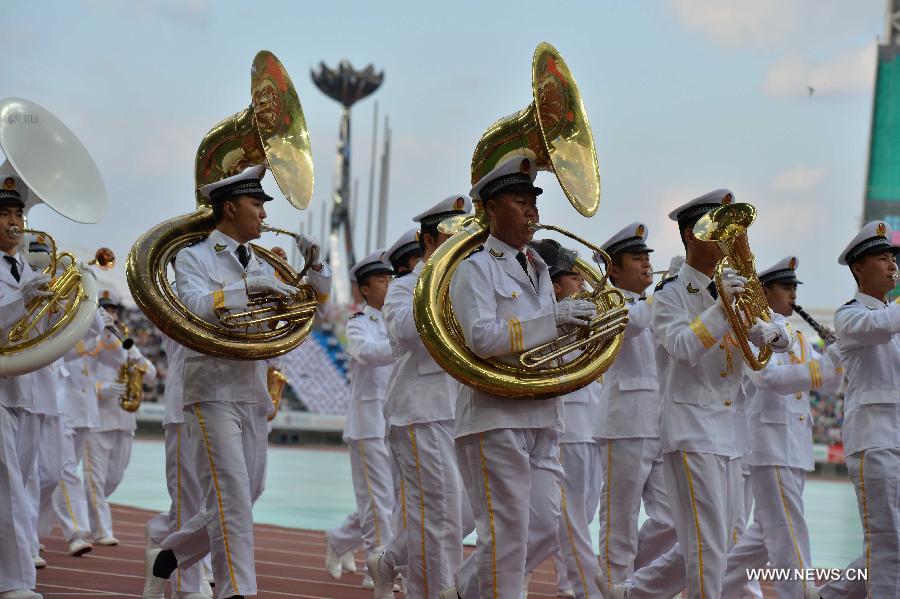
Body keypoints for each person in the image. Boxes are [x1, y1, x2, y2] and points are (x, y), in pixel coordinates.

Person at [145, 164, 330, 599]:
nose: (265, 215)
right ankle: (236, 592)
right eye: (256, 205)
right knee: (230, 494)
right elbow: (189, 304)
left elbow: (315, 304)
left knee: (249, 491)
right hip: (210, 388)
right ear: (230, 207)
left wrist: (315, 265)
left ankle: (168, 555)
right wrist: (248, 291)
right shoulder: (192, 256)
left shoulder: (264, 261)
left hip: (251, 386)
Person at [601, 189, 794, 599]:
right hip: (690, 428)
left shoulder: (732, 285)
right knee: (707, 547)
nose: (726, 242)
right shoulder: (670, 293)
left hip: (730, 432)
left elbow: (780, 336)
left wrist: (771, 332)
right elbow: (682, 348)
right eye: (716, 232)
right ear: (691, 235)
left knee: (719, 542)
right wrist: (724, 311)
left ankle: (633, 594)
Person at [441, 153, 597, 599]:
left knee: (547, 528)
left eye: (534, 201)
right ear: (491, 208)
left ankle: (462, 591)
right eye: (518, 200)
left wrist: (575, 342)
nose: (532, 210)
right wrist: (555, 321)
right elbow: (481, 338)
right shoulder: (474, 268)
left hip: (542, 414)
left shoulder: (539, 267)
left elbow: (541, 342)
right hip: (496, 417)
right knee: (506, 540)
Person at [367, 195, 474, 599]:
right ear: (428, 241)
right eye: (451, 236)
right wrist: (440, 289)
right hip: (418, 411)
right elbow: (403, 332)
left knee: (461, 514)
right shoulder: (404, 287)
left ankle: (391, 559)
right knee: (439, 513)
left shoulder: (469, 281)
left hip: (460, 411)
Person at [719, 256, 841, 599]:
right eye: (785, 287)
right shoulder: (756, 331)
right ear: (764, 291)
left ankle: (713, 586)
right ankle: (799, 592)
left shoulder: (799, 337)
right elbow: (766, 377)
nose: (792, 294)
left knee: (763, 534)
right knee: (788, 528)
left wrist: (836, 355)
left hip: (794, 445)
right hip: (770, 443)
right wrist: (823, 370)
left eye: (793, 288)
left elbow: (829, 383)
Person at [818, 221, 899, 599]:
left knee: (890, 544)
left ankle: (827, 596)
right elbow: (882, 325)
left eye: (892, 259)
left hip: (894, 437)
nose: (892, 265)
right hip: (875, 441)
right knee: (887, 542)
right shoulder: (850, 316)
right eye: (882, 258)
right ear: (858, 269)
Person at [593, 223, 675, 588]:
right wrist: (670, 292)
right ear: (613, 269)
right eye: (636, 258)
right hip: (623, 423)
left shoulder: (653, 305)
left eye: (647, 258)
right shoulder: (605, 303)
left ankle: (628, 585)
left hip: (659, 423)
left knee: (672, 520)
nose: (645, 264)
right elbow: (634, 324)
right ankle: (613, 584)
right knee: (620, 519)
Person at [529, 239, 603, 599]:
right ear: (556, 286)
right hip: (567, 429)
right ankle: (587, 588)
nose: (583, 285)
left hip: (591, 427)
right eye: (576, 279)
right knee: (570, 520)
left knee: (582, 514)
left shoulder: (584, 318)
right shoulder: (547, 321)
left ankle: (559, 580)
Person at [0, 176, 58, 599]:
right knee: (10, 489)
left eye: (18, 213)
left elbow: (53, 334)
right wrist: (24, 299)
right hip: (2, 387)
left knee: (22, 484)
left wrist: (57, 301)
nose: (14, 222)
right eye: (4, 214)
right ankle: (17, 582)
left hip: (29, 389)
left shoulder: (28, 267)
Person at [326, 251, 397, 590]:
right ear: (365, 290)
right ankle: (378, 568)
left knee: (390, 499)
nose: (388, 286)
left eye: (390, 280)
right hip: (368, 424)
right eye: (381, 281)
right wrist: (404, 343)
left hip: (395, 422)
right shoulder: (357, 323)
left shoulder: (397, 321)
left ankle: (340, 539)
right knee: (379, 501)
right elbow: (367, 353)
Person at [84, 289, 157, 545]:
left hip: (124, 420)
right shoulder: (90, 340)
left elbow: (151, 374)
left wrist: (135, 355)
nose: (109, 313)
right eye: (104, 309)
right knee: (95, 478)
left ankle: (83, 510)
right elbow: (75, 376)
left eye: (113, 309)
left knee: (114, 477)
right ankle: (101, 529)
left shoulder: (126, 342)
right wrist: (101, 389)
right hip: (98, 420)